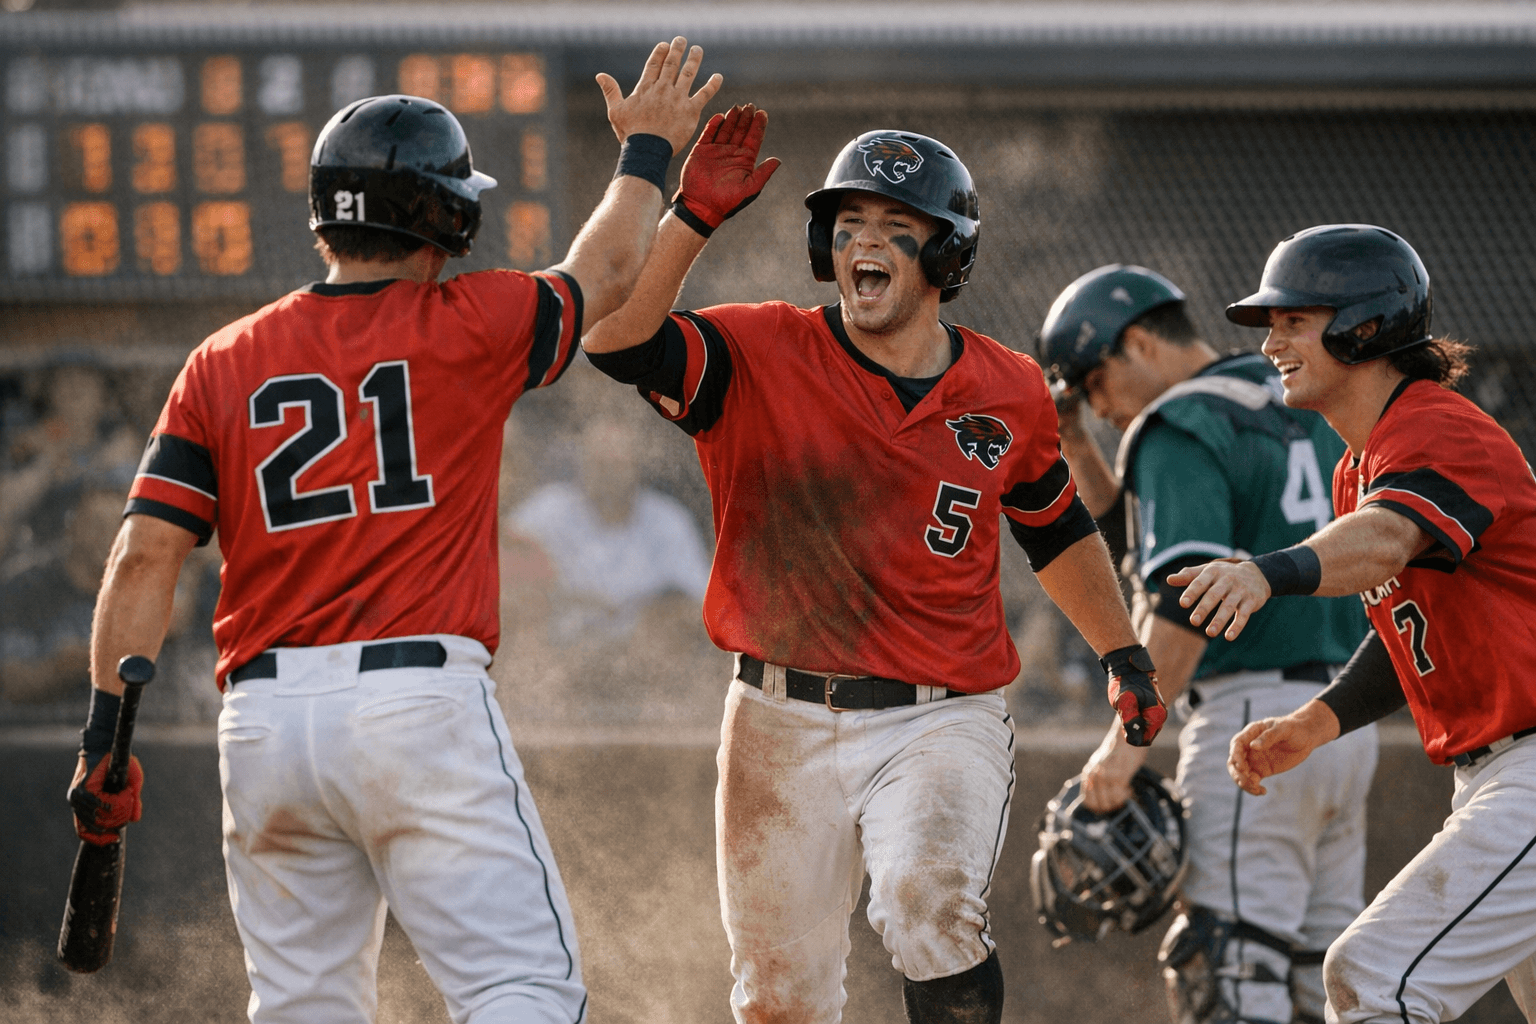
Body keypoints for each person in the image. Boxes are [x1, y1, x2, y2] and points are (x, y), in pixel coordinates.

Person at [64, 38, 720, 1024]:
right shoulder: (472, 320)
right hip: (416, 704)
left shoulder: (221, 360)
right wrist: (647, 152)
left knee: (302, 1007)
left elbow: (143, 557)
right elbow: (613, 265)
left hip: (264, 723)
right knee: (519, 990)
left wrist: (101, 737)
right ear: (446, 216)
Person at [582, 110, 1168, 1024]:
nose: (866, 242)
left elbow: (1055, 531)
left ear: (948, 257)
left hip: (941, 714)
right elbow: (614, 341)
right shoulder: (761, 348)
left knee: (926, 906)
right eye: (849, 223)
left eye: (898, 227)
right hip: (775, 713)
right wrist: (690, 216)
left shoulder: (1009, 387)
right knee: (778, 1001)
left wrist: (1124, 655)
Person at [1174, 224, 1536, 1024]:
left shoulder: (1437, 425)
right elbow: (1409, 624)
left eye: (1294, 321)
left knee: (1371, 976)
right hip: (1497, 778)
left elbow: (1384, 541)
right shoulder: (1356, 465)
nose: (1271, 343)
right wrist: (1318, 720)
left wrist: (1265, 572)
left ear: (1363, 328)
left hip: (1529, 782)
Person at [1038, 264, 1376, 1024]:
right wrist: (1077, 444)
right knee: (1327, 988)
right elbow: (1145, 537)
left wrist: (1125, 747)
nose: (1098, 405)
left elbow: (1181, 602)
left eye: (1094, 381)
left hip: (1249, 726)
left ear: (1138, 343)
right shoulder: (1301, 398)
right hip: (1342, 721)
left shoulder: (1179, 422)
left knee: (1232, 978)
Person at [508, 414, 710, 645]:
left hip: (645, 657)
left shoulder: (669, 522)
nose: (606, 474)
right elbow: (501, 571)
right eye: (598, 462)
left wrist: (652, 617)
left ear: (637, 464)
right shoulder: (545, 512)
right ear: (581, 461)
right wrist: (563, 599)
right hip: (558, 652)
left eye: (616, 463)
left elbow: (699, 605)